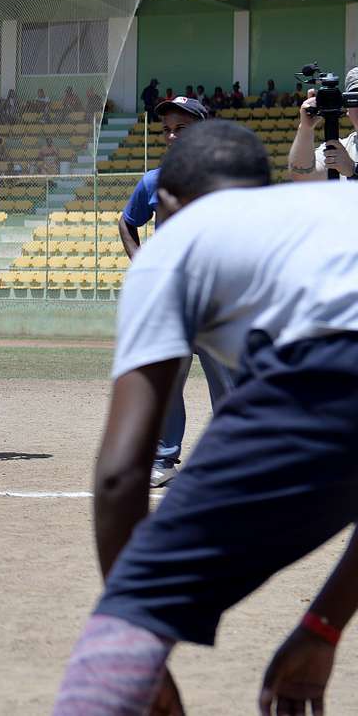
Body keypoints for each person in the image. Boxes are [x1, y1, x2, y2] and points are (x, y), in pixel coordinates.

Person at [53, 120, 358, 716]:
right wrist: (324, 626)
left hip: (321, 371)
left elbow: (121, 473)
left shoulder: (178, 237)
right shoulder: (335, 202)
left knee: (111, 659)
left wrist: (138, 629)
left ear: (167, 200)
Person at [117, 96, 232, 486]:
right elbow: (127, 222)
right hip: (171, 302)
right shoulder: (153, 180)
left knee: (230, 385)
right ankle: (164, 460)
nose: (171, 135)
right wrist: (142, 263)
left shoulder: (229, 179)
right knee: (166, 383)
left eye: (181, 128)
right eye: (166, 129)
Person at [289, 66, 358, 182]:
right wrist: (305, 129)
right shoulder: (340, 149)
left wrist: (353, 170)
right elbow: (302, 178)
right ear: (347, 108)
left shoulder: (342, 155)